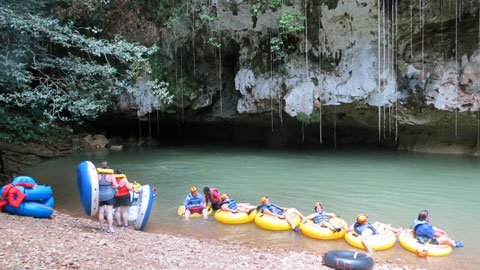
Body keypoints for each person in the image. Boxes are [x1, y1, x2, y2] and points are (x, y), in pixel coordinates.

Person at [97, 161, 118, 233]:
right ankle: (110, 228)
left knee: (101, 212)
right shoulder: (111, 175)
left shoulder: (97, 175)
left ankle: (101, 227)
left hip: (100, 195)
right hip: (110, 195)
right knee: (109, 212)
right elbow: (116, 185)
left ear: (100, 167)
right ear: (108, 167)